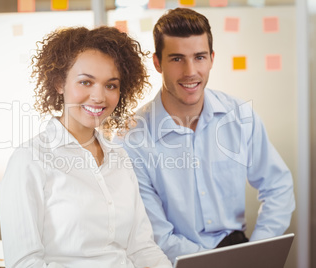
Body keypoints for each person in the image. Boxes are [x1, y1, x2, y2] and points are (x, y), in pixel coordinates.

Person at [116, 8, 295, 264]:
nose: (190, 71)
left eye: (199, 57)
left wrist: (257, 249)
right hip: (171, 258)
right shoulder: (131, 139)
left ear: (211, 59)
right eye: (177, 59)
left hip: (239, 249)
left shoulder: (238, 117)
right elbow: (154, 234)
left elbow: (278, 186)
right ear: (157, 63)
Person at [0, 26, 172, 268]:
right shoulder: (30, 160)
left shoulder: (119, 157)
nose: (99, 96)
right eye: (86, 82)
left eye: (110, 85)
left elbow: (141, 248)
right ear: (59, 83)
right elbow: (24, 263)